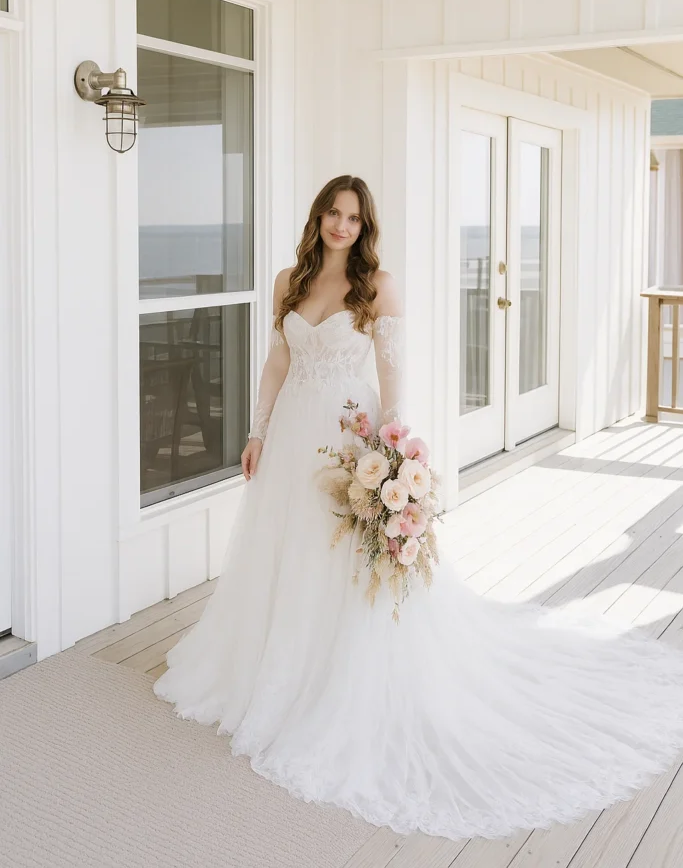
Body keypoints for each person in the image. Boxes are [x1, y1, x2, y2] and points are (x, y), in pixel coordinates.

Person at [154, 174, 683, 841]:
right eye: (331, 213)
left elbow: (392, 374)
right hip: (290, 437)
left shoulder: (375, 285)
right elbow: (276, 362)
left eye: (351, 217)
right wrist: (257, 429)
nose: (340, 225)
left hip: (348, 437)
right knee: (283, 548)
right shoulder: (291, 277)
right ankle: (270, 672)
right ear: (317, 217)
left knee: (341, 557)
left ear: (364, 226)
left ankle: (334, 682)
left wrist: (395, 449)